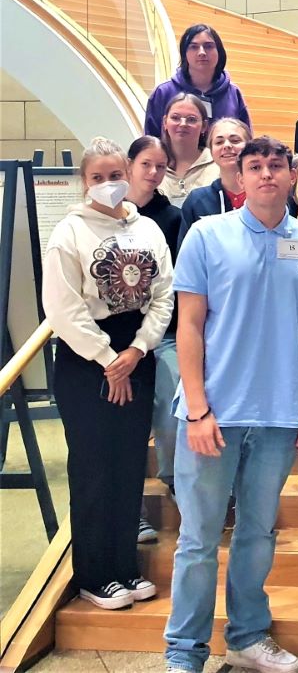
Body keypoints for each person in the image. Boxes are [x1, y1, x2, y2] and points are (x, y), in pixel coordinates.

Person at [164, 136, 298, 673]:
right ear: (238, 177)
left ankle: (247, 636)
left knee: (258, 533)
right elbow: (188, 325)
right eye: (253, 166)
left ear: (291, 176)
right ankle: (184, 653)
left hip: (281, 414)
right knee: (197, 541)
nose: (264, 175)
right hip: (214, 414)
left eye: (275, 166)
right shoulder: (206, 236)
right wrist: (196, 408)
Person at [42, 137, 173, 610]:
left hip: (137, 355)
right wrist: (106, 360)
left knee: (128, 467)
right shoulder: (69, 234)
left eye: (115, 175)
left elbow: (163, 295)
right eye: (98, 177)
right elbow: (62, 307)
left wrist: (136, 351)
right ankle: (95, 574)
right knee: (94, 467)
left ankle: (124, 568)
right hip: (86, 362)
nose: (109, 185)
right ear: (84, 182)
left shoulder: (148, 232)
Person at [124, 136, 182, 545]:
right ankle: (134, 511)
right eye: (146, 164)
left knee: (171, 410)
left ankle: (177, 483)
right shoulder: (106, 215)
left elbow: (172, 285)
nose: (153, 172)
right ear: (131, 165)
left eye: (161, 166)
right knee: (125, 427)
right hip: (114, 341)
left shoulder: (172, 217)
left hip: (162, 333)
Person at [145, 24, 251, 138]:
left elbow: (246, 139)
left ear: (219, 52)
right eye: (194, 47)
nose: (202, 52)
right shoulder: (163, 92)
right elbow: (150, 141)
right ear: (184, 53)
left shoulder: (233, 93)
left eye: (208, 46)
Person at [177, 118, 251, 248]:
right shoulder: (197, 201)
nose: (227, 145)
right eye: (219, 142)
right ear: (211, 151)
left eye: (235, 140)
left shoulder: (266, 196)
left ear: (250, 147)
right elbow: (185, 257)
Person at [159, 93, 215, 206]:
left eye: (191, 119)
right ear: (165, 122)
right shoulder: (151, 164)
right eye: (175, 118)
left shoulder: (218, 164)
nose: (183, 124)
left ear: (204, 126)